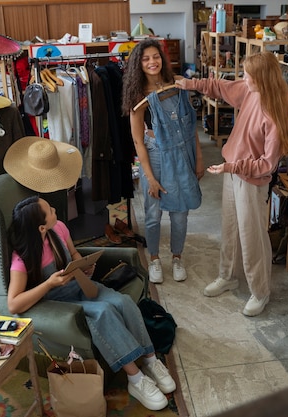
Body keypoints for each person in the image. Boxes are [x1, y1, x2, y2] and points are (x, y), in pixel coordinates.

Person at [7, 195, 176, 411]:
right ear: (41, 228)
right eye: (49, 210)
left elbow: (74, 253)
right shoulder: (21, 258)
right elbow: (13, 304)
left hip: (80, 286)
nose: (54, 210)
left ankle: (151, 360)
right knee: (103, 312)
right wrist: (49, 284)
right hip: (59, 301)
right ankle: (135, 379)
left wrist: (84, 266)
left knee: (122, 302)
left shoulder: (58, 228)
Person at [175, 52, 288, 316]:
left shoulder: (273, 115)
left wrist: (233, 167)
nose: (243, 78)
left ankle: (260, 291)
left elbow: (267, 165)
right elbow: (221, 86)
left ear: (261, 79)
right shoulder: (250, 91)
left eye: (247, 74)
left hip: (251, 181)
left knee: (252, 237)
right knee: (230, 228)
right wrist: (191, 83)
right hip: (232, 172)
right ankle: (227, 276)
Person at [121, 39, 204, 284]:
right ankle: (155, 258)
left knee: (181, 212)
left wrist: (198, 158)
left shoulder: (177, 84)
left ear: (162, 58)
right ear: (139, 64)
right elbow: (138, 141)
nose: (152, 62)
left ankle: (177, 257)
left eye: (155, 56)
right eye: (145, 59)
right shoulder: (138, 96)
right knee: (153, 213)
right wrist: (150, 178)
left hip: (182, 152)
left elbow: (191, 126)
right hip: (155, 155)